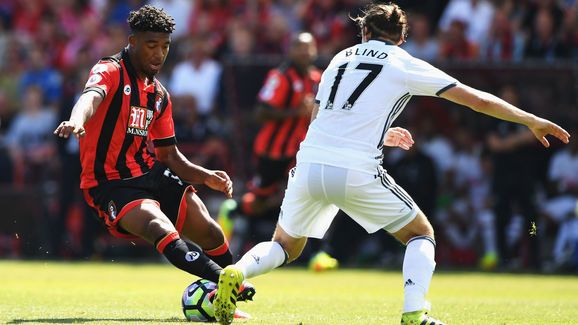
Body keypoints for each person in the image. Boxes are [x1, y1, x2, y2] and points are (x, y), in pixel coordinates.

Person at [211, 3, 571, 325]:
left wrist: (378, 132)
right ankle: (415, 312)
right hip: (355, 168)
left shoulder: (339, 58)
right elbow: (475, 100)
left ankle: (236, 272)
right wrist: (529, 119)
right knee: (420, 233)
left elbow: (321, 116)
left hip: (309, 163)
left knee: (286, 245)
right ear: (400, 39)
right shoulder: (403, 62)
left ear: (364, 31)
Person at [53, 5, 254, 309]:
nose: (159, 54)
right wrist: (78, 120)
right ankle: (230, 282)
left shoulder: (159, 95)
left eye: (165, 46)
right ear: (132, 42)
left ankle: (225, 300)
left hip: (150, 173)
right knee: (159, 227)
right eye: (151, 45)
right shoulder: (109, 70)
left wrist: (205, 176)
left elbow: (170, 156)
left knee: (210, 230)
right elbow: (90, 96)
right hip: (111, 183)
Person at [217, 32, 321, 243]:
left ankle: (316, 251)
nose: (304, 52)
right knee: (261, 201)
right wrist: (296, 112)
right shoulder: (280, 76)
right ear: (291, 50)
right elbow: (261, 112)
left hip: (300, 150)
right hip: (274, 150)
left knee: (311, 194)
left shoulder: (318, 79)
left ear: (315, 50)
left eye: (308, 47)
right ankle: (235, 209)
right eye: (299, 47)